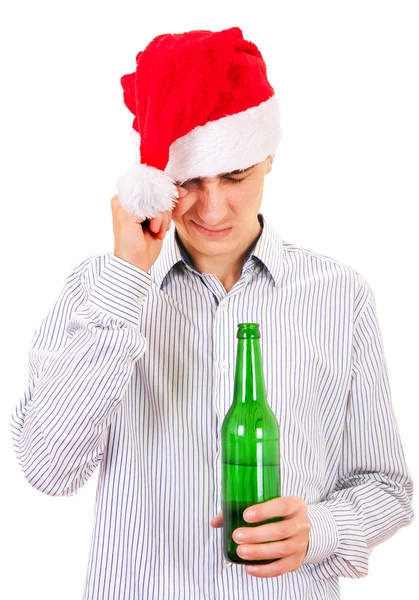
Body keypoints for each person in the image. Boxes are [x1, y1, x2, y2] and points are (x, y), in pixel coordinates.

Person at [10, 27, 414, 600]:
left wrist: (317, 530)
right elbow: (48, 469)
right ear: (154, 182)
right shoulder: (99, 291)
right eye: (188, 182)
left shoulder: (339, 295)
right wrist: (128, 278)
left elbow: (387, 488)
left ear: (270, 157)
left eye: (236, 175)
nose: (214, 207)